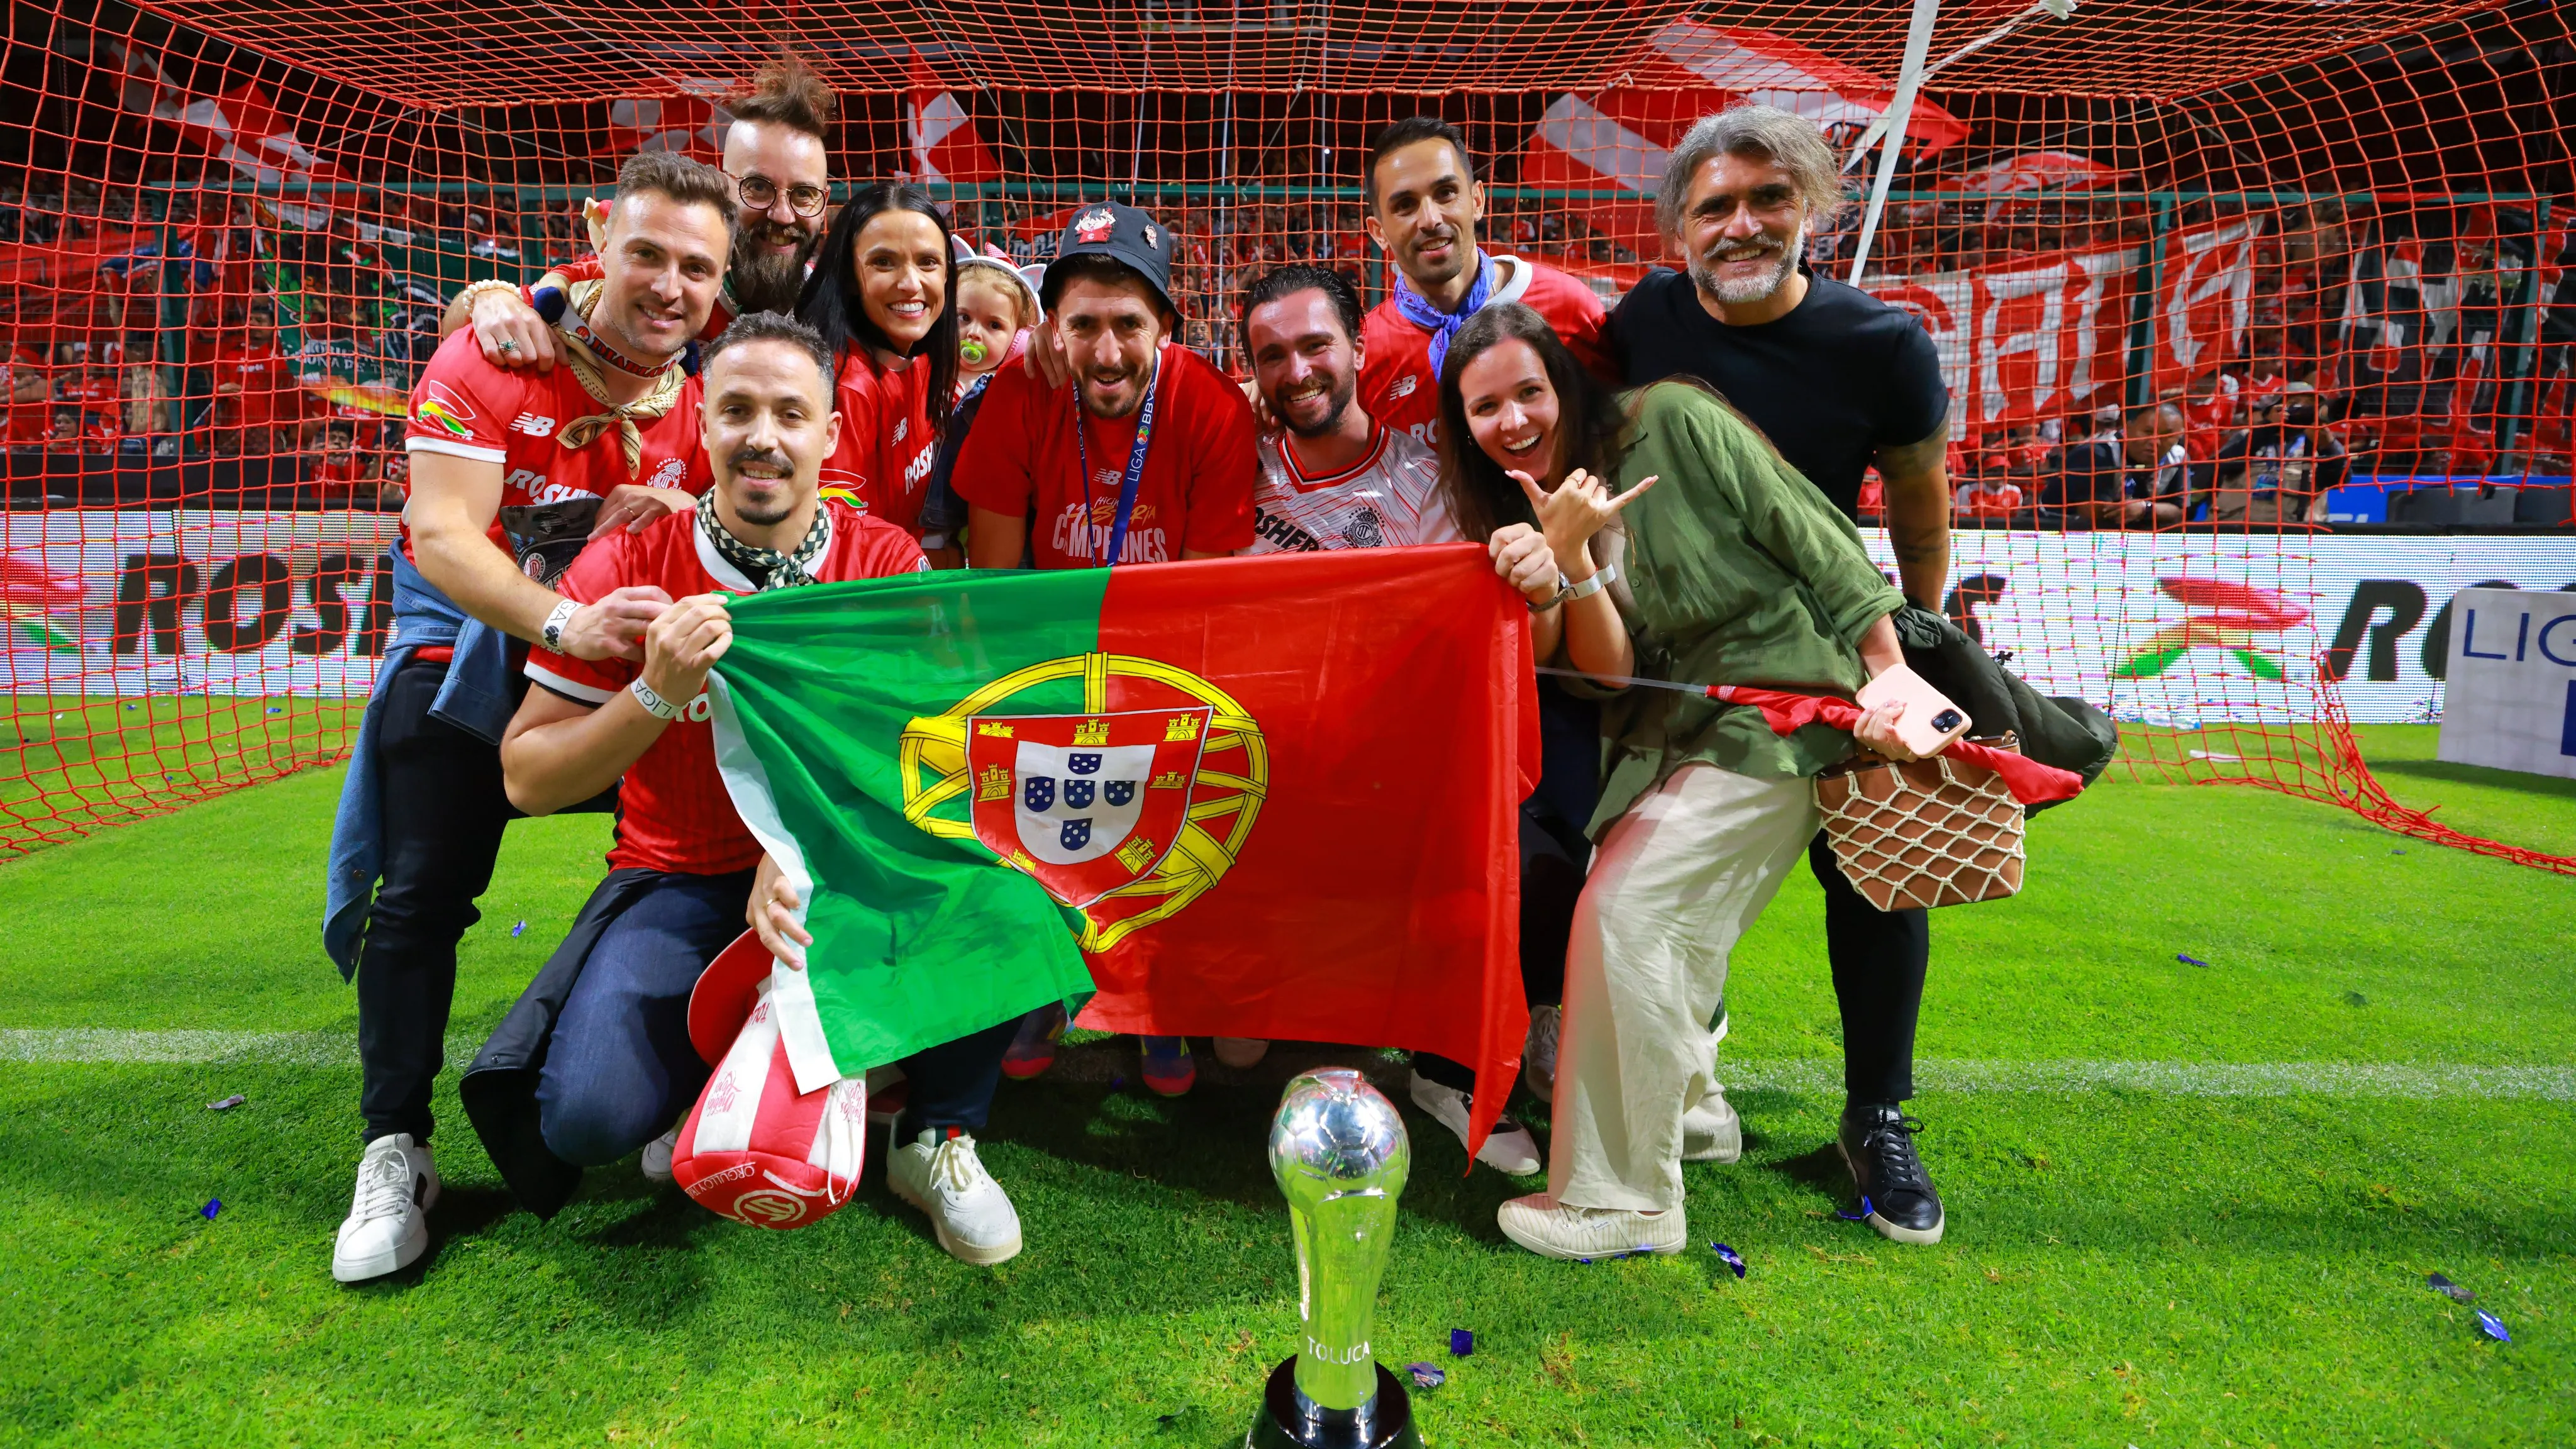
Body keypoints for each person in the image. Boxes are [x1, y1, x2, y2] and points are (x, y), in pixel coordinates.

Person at [479, 312, 1026, 1266]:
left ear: (828, 435)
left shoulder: (885, 565)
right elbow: (526, 780)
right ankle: (742, 1064)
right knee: (585, 1120)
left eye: (789, 413)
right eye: (735, 411)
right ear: (702, 425)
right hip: (678, 872)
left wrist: (801, 858)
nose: (762, 437)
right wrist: (655, 691)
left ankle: (933, 1133)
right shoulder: (631, 564)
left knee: (1012, 875)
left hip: (845, 870)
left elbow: (923, 764)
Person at [322, 150, 733, 1285]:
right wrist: (562, 617)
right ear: (596, 238)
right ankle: (395, 1146)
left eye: (696, 267)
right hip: (483, 646)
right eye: (645, 254)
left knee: (723, 834)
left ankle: (682, 1077)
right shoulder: (495, 348)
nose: (667, 284)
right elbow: (447, 538)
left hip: (615, 652)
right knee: (420, 892)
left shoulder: (704, 394)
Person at [1436, 303, 1918, 1262]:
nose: (1515, 420)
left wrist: (1888, 663)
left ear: (1565, 382)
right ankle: (1696, 1117)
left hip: (1781, 713)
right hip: (1667, 741)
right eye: (1485, 408)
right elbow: (1607, 675)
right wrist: (1565, 558)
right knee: (1661, 922)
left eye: (1528, 390)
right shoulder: (1516, 511)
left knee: (1630, 914)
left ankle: (1623, 1200)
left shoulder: (1670, 418)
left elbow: (1808, 529)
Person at [1604, 104, 1958, 1245]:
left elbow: (1916, 489)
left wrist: (1920, 628)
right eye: (1715, 206)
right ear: (1677, 232)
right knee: (1659, 877)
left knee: (1873, 876)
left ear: (1813, 207)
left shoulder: (1882, 342)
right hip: (1697, 668)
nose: (1742, 225)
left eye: (1768, 199)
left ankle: (1877, 1113)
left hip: (1841, 656)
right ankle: (1690, 1089)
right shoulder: (1641, 325)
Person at [951, 199, 1258, 1094]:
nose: (1108, 351)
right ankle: (1047, 984)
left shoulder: (1208, 406)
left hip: (1168, 662)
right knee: (1043, 823)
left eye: (1129, 323)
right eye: (1082, 324)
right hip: (1047, 659)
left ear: (1165, 322)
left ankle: (1150, 998)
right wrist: (1043, 698)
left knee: (1157, 822)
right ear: (1053, 327)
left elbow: (1204, 594)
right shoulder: (1020, 396)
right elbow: (999, 580)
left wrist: (1137, 697)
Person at [441, 58, 835, 369]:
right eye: (758, 188)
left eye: (804, 194)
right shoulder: (656, 273)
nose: (783, 215)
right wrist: (491, 302)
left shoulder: (837, 304)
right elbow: (459, 326)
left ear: (824, 200)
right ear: (724, 188)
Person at [1358, 116, 1612, 448]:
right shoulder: (1366, 354)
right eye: (1405, 205)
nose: (1431, 219)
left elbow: (1616, 432)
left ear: (1477, 201)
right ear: (1379, 232)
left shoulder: (1568, 306)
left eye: (1446, 193)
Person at [797, 182, 956, 542]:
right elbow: (842, 545)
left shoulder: (926, 357)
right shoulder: (846, 387)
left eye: (928, 262)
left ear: (948, 273)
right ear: (851, 277)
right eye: (883, 262)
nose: (911, 283)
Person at [914, 243, 1043, 564]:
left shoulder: (1005, 389)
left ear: (1017, 342)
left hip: (978, 507)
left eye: (994, 326)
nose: (974, 334)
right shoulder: (925, 370)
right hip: (921, 504)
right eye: (963, 318)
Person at [2205, 382, 2345, 523]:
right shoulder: (2248, 435)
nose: (2303, 409)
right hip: (2238, 528)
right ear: (2274, 409)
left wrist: (2328, 446)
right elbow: (2219, 467)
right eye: (2294, 403)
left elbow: (2339, 480)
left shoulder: (2321, 440)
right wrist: (2267, 428)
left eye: (2309, 404)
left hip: (2294, 532)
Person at [2044, 402, 2188, 529]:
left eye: (2166, 436)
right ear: (2129, 428)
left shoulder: (2179, 457)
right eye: (2148, 432)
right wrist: (2149, 511)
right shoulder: (2096, 453)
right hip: (2057, 531)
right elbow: (2094, 513)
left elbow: (2181, 511)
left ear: (2179, 436)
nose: (2155, 442)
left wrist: (2145, 509)